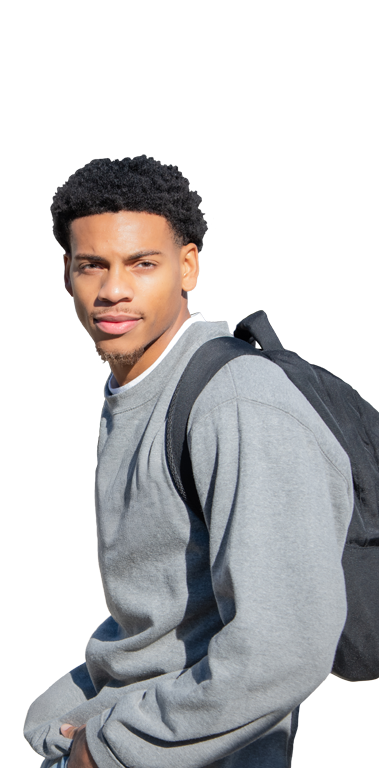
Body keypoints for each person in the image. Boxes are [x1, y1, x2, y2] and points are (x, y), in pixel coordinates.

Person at [22, 156, 354, 768]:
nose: (113, 289)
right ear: (66, 272)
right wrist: (65, 725)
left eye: (142, 264)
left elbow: (284, 645)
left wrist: (108, 749)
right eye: (93, 264)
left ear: (189, 267)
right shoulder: (135, 391)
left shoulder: (236, 401)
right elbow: (156, 621)